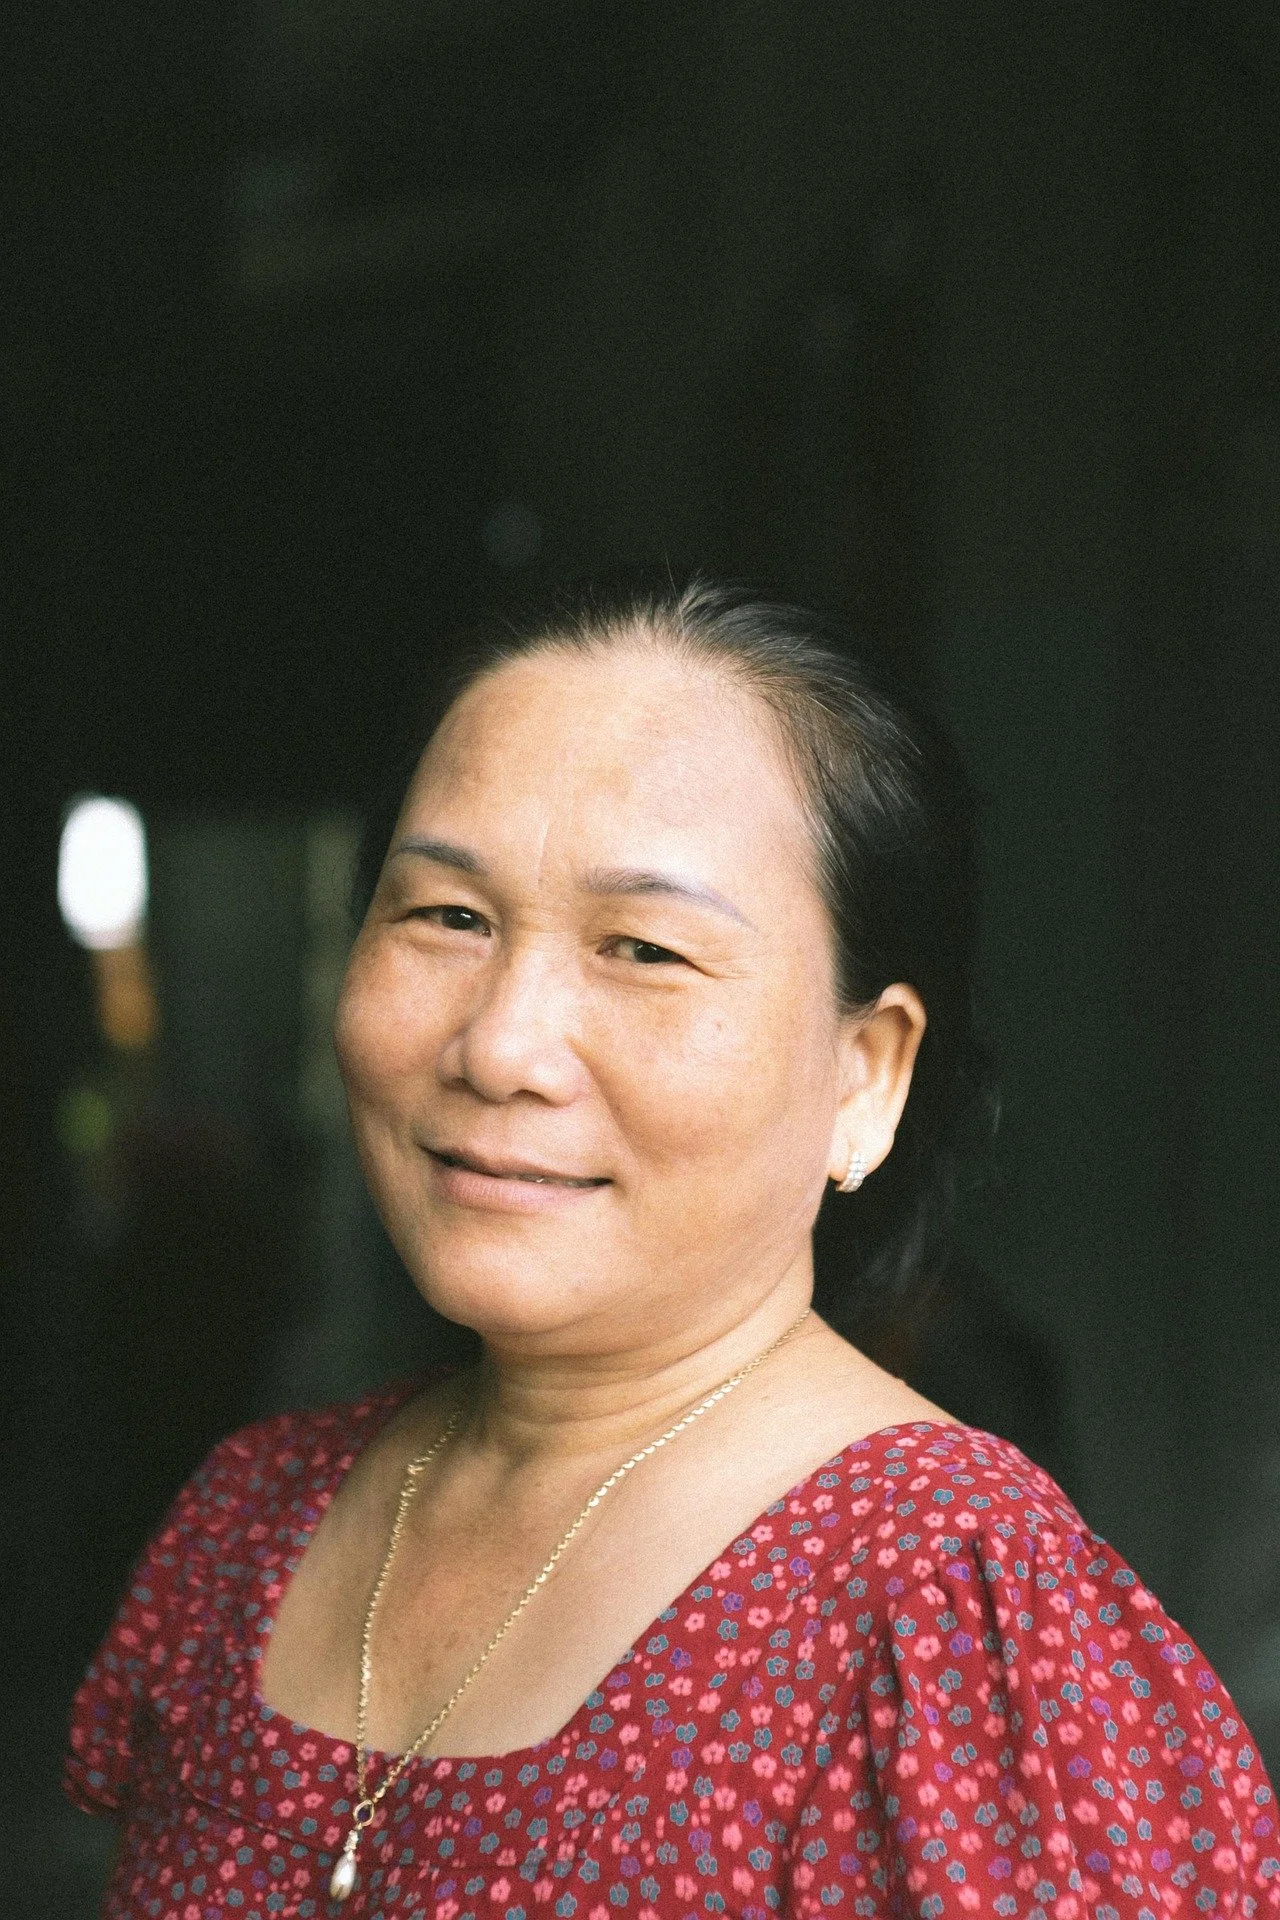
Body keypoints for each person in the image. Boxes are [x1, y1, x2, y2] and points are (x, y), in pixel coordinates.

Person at [65, 579, 1278, 1919]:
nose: (501, 1048)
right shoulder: (249, 1525)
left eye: (643, 947)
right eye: (447, 916)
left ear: (865, 1074)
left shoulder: (951, 1619)